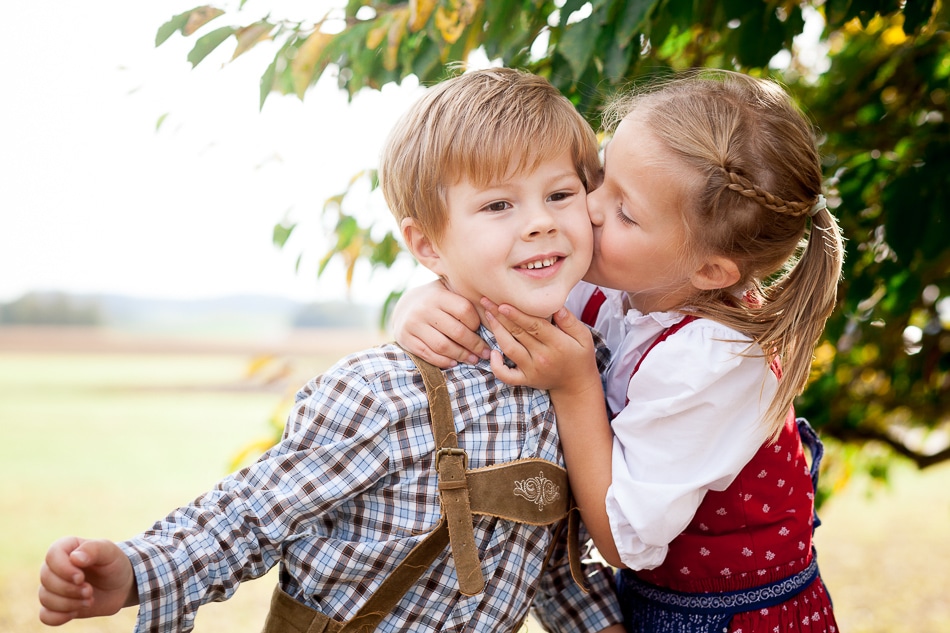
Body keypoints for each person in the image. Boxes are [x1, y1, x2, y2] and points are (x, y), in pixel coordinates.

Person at [38, 68, 625, 633]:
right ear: (427, 244)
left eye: (560, 194)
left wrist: (600, 624)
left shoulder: (582, 370)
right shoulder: (384, 390)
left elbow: (541, 549)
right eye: (499, 205)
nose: (540, 223)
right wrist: (138, 569)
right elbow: (257, 511)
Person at [393, 69, 843, 632]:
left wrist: (575, 383)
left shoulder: (717, 359)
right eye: (599, 177)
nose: (588, 207)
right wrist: (422, 297)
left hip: (727, 619)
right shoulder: (620, 280)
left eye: (626, 211)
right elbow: (493, 276)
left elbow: (620, 540)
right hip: (650, 602)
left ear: (708, 270)